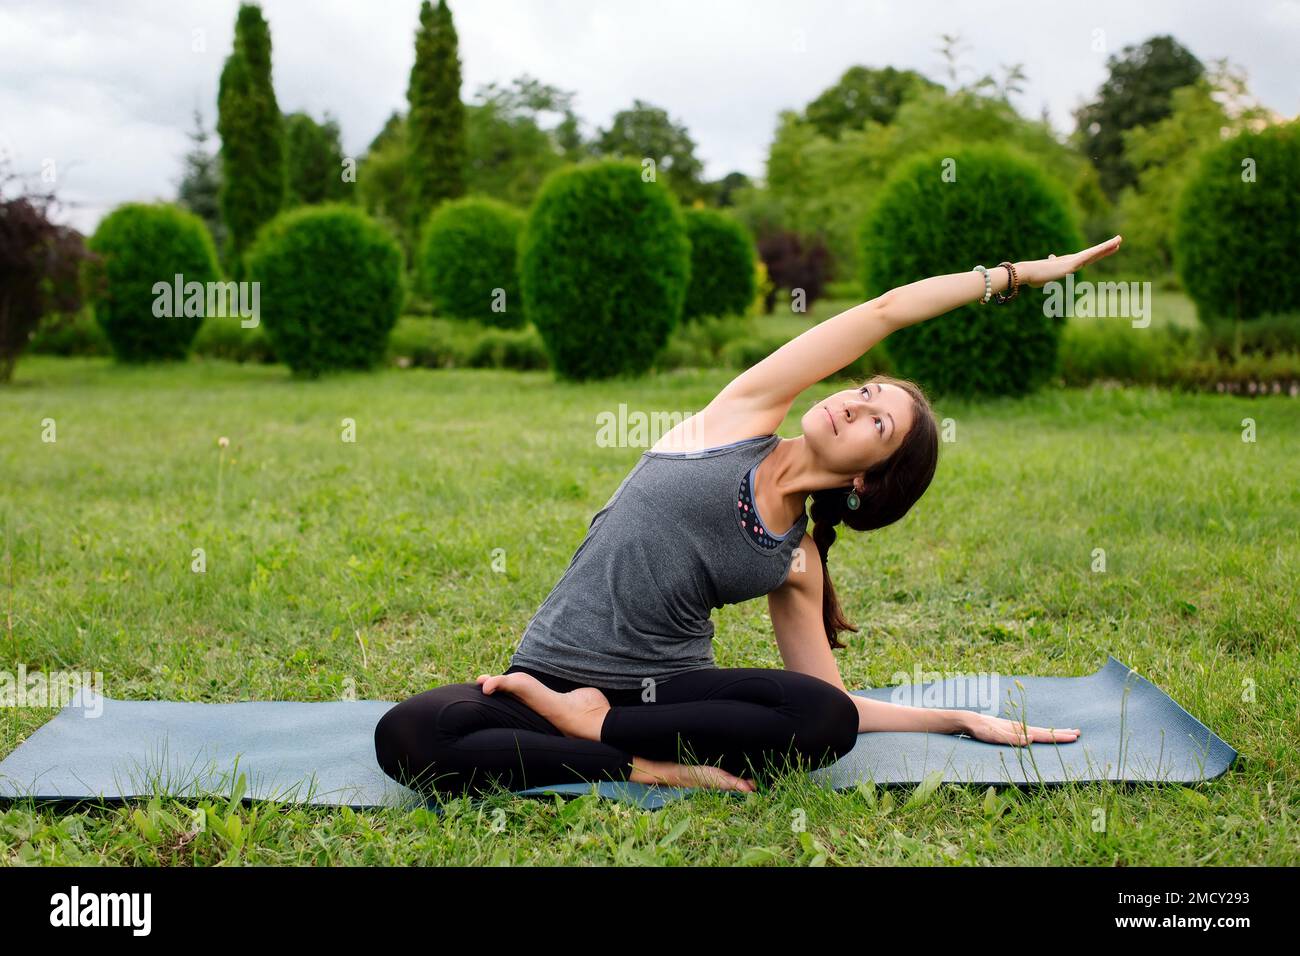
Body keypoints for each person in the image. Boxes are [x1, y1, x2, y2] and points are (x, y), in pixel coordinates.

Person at [374, 237, 1123, 800]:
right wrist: (1015, 276)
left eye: (878, 423)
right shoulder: (738, 418)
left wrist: (957, 721)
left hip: (662, 700)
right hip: (546, 678)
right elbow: (885, 311)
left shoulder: (796, 559)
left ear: (867, 477)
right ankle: (644, 769)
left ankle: (603, 737)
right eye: (865, 391)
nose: (855, 402)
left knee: (820, 719)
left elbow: (836, 708)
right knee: (406, 735)